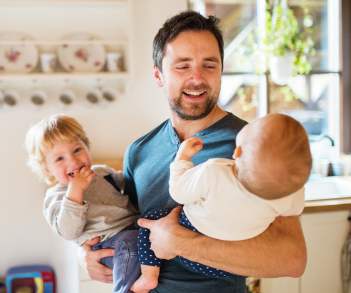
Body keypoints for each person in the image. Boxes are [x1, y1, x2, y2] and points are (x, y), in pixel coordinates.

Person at [78, 10, 308, 292]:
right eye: (182, 66)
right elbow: (127, 226)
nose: (197, 78)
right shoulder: (138, 152)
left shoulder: (252, 147)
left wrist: (181, 243)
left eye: (209, 65)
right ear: (158, 75)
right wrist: (88, 254)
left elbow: (292, 258)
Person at [133, 113, 312, 291]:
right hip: (221, 270)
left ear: (238, 151)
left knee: (152, 219)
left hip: (195, 237)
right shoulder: (285, 193)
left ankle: (149, 275)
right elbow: (294, 208)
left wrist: (181, 159)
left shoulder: (216, 169)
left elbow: (178, 193)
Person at [25, 114, 144, 293]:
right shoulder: (55, 196)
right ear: (47, 169)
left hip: (133, 229)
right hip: (107, 244)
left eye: (77, 150)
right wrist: (76, 191)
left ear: (87, 147)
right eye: (59, 159)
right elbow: (68, 232)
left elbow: (131, 183)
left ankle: (148, 278)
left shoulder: (102, 172)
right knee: (132, 242)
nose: (73, 161)